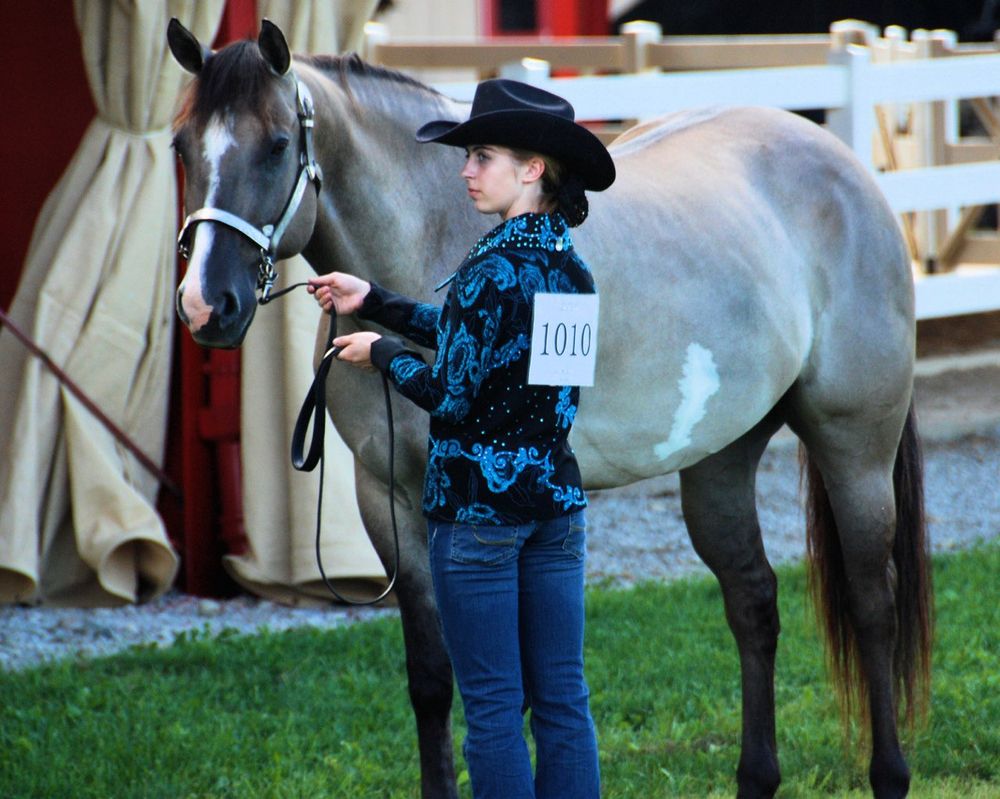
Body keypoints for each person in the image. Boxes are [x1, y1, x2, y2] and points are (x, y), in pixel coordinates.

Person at [308, 78, 615, 799]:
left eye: (482, 157)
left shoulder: (488, 272)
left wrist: (381, 352)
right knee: (563, 698)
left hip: (478, 519)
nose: (466, 171)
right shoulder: (572, 270)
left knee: (494, 707)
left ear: (533, 168)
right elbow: (501, 356)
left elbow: (451, 394)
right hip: (556, 510)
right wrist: (374, 301)